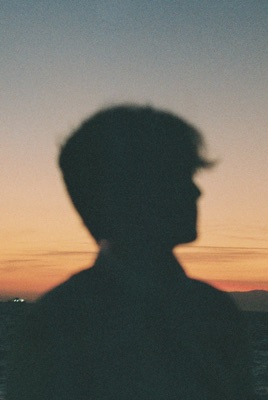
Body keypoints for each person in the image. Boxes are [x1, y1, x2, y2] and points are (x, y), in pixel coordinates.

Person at [7, 105, 253, 399]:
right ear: (129, 189)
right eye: (177, 175)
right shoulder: (60, 323)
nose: (196, 191)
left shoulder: (57, 318)